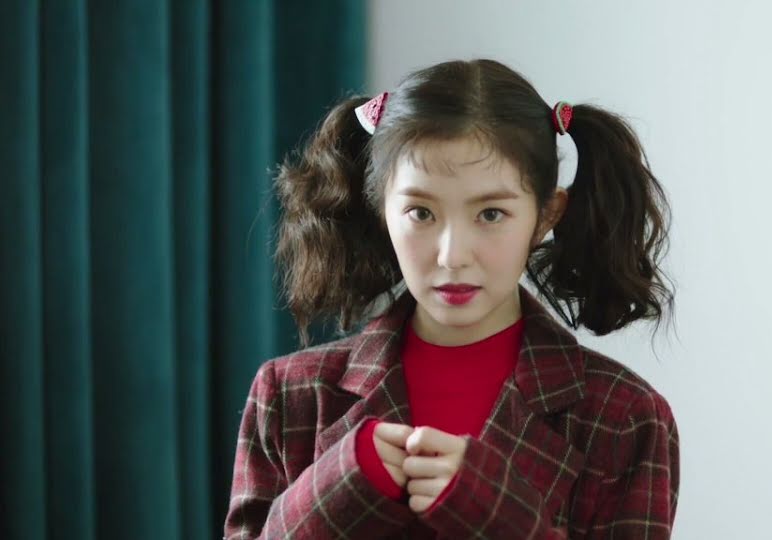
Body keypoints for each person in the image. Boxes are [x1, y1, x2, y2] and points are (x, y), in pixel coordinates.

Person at [223, 58, 679, 539]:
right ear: (381, 209)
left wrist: (497, 512)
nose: (452, 255)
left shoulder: (624, 417)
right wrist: (337, 487)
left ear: (546, 215)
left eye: (491, 214)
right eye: (421, 213)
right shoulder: (289, 395)